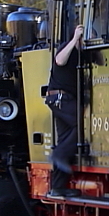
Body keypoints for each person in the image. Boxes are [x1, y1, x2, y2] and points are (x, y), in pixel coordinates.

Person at [45, 24, 84, 197]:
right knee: (81, 123)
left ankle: (57, 187)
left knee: (64, 139)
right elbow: (59, 60)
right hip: (60, 98)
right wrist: (74, 39)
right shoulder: (66, 49)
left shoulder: (79, 56)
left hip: (64, 99)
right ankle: (58, 155)